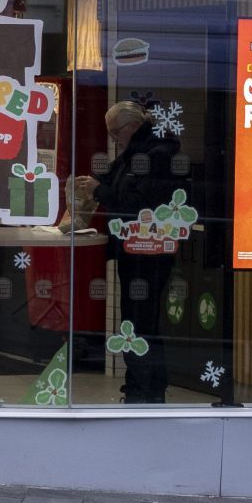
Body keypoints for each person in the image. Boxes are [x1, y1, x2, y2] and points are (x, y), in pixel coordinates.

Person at [93, 101, 179, 404]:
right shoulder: (134, 155)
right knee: (143, 322)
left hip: (149, 253)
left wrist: (97, 191)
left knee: (138, 322)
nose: (114, 139)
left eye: (116, 133)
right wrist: (92, 185)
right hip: (135, 250)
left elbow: (135, 204)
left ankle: (140, 393)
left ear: (131, 126)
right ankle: (150, 390)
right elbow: (111, 183)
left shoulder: (157, 155)